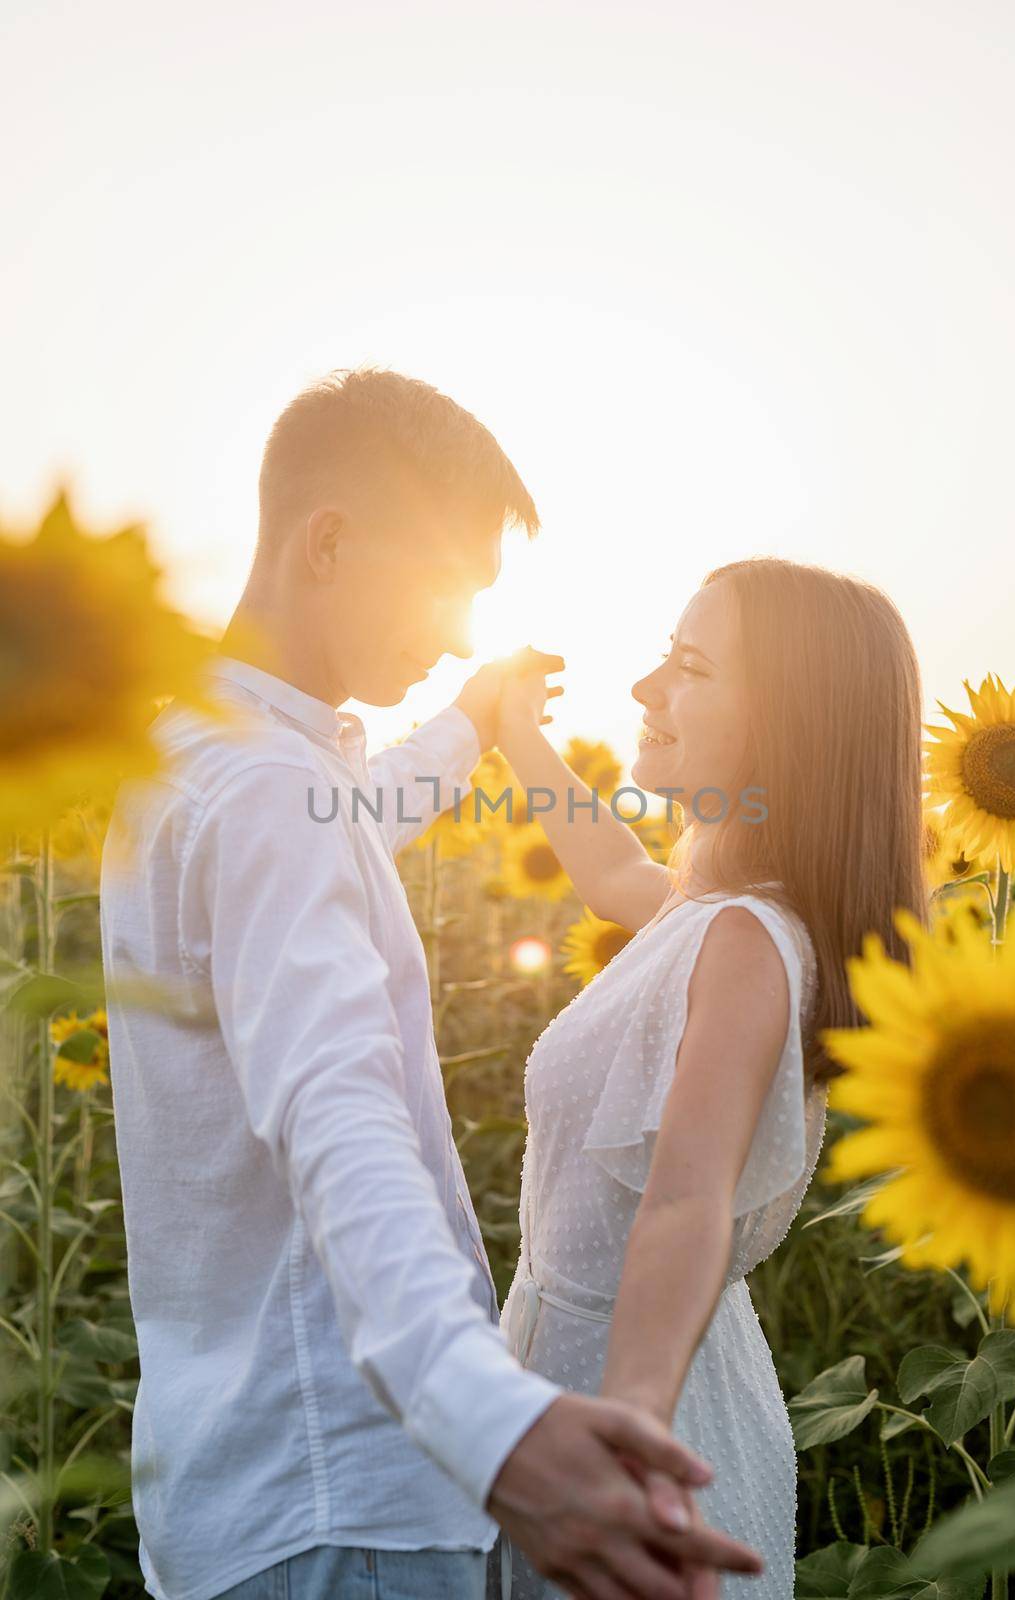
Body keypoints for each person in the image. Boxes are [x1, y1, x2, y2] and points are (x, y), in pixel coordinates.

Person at [99, 367, 764, 1600]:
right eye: (445, 586)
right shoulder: (263, 796)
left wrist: (473, 723)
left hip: (233, 1495)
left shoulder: (205, 759)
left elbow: (350, 822)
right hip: (346, 1506)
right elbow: (337, 1118)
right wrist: (493, 1426)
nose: (461, 632)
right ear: (331, 543)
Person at [487, 558, 927, 1599]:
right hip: (621, 1379)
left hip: (639, 1395)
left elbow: (689, 1203)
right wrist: (515, 730)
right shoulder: (710, 912)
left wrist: (634, 1428)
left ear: (791, 725)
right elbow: (609, 876)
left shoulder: (743, 939)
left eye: (688, 665)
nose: (645, 691)